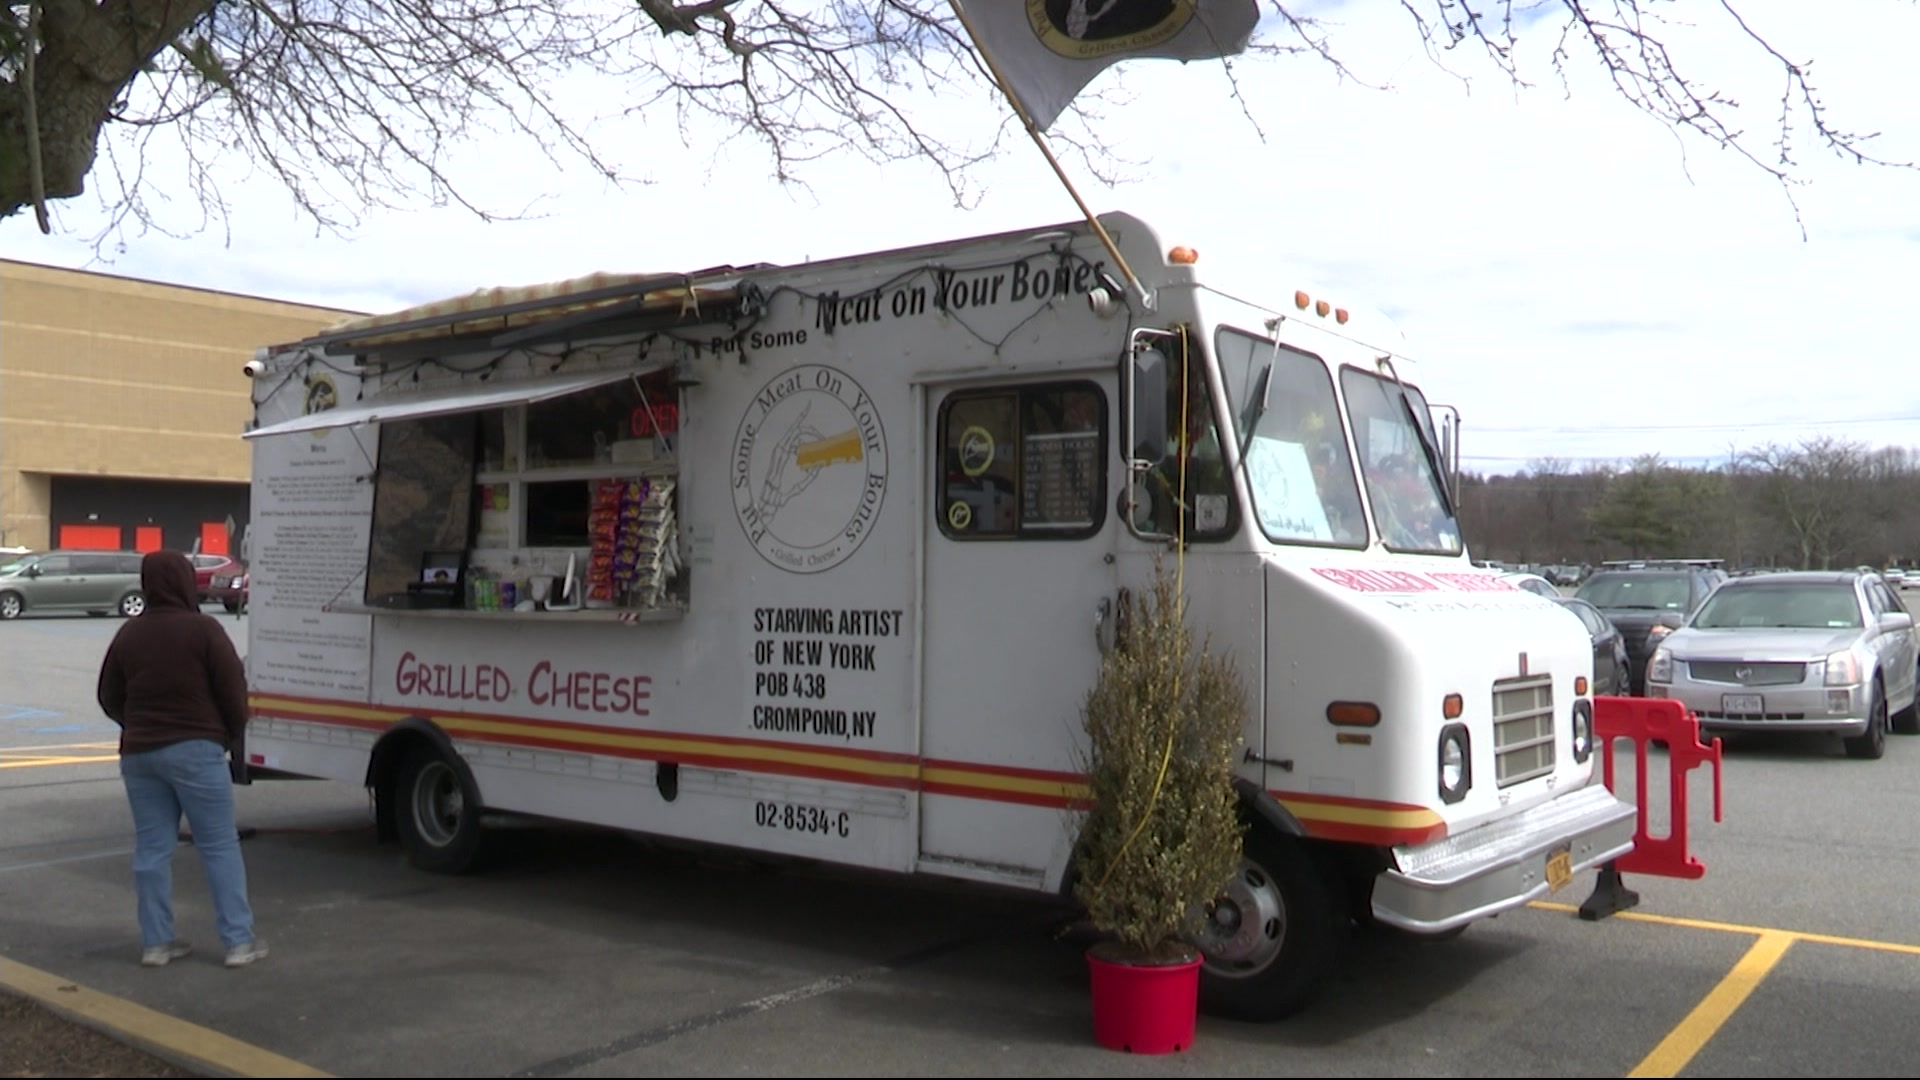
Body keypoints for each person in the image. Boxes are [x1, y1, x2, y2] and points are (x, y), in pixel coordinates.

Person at [96, 550, 268, 969]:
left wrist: (134, 723)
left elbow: (108, 696)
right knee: (218, 845)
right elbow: (233, 691)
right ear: (186, 581)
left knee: (152, 849)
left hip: (140, 754)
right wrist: (226, 736)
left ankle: (157, 943)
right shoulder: (204, 630)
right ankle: (237, 942)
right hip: (196, 749)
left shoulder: (129, 635)